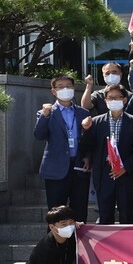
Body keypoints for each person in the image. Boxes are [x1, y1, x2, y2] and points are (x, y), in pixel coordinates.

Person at [34, 75, 91, 222]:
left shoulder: (83, 113)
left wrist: (87, 156)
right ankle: (55, 237)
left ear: (73, 89)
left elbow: (90, 140)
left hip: (79, 167)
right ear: (53, 91)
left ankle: (78, 237)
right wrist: (45, 116)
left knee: (80, 210)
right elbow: (39, 135)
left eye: (68, 86)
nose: (65, 89)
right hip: (56, 168)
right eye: (60, 86)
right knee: (56, 212)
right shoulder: (46, 113)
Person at [79, 84, 133, 225]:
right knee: (105, 216)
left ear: (125, 100)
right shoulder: (95, 122)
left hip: (125, 174)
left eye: (118, 97)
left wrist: (125, 168)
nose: (114, 100)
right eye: (111, 98)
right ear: (105, 101)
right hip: (103, 172)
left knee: (126, 215)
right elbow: (87, 147)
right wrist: (86, 130)